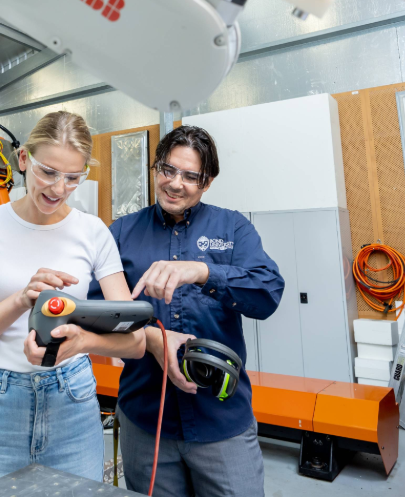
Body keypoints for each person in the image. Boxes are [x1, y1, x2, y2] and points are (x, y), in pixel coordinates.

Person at [0, 111, 146, 495]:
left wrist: (83, 342)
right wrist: (22, 299)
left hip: (71, 402)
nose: (59, 188)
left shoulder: (93, 232)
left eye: (73, 177)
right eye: (48, 172)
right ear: (24, 159)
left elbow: (135, 342)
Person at [104, 125, 284, 497]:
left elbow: (268, 293)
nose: (175, 183)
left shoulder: (232, 228)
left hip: (221, 421)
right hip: (146, 420)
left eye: (190, 176)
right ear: (156, 168)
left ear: (208, 182)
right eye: (168, 170)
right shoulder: (120, 233)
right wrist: (152, 339)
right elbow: (96, 313)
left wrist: (203, 272)